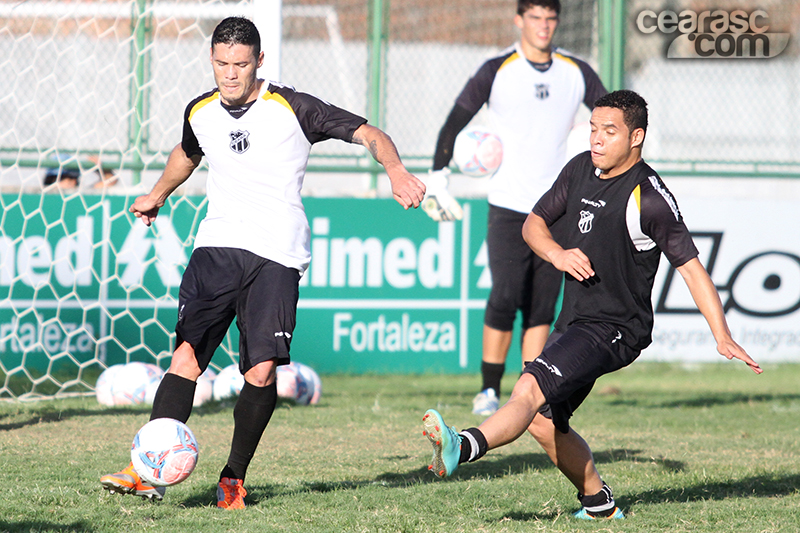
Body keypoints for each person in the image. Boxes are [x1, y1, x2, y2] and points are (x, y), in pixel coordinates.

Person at [100, 16, 425, 509]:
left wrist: (396, 170)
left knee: (261, 371)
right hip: (217, 247)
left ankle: (233, 478)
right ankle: (147, 470)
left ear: (259, 62)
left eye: (240, 64)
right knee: (186, 357)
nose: (230, 74)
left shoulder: (294, 107)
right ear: (212, 60)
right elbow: (187, 154)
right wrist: (157, 195)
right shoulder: (201, 110)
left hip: (277, 255)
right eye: (221, 63)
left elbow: (367, 132)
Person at [421, 90, 762, 520]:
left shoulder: (649, 198)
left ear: (636, 137)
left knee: (528, 387)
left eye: (610, 131)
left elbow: (692, 269)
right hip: (576, 318)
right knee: (543, 420)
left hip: (616, 327)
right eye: (593, 128)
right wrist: (558, 255)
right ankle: (599, 503)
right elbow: (534, 224)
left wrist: (722, 335)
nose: (597, 139)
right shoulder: (581, 167)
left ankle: (463, 445)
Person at [423, 0, 607, 416]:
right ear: (519, 21)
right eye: (535, 18)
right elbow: (454, 122)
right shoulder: (497, 70)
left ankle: (530, 390)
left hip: (556, 210)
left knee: (542, 306)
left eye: (550, 18)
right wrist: (439, 178)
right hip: (508, 206)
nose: (543, 26)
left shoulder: (576, 73)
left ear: (558, 22)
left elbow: (615, 115)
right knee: (505, 296)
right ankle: (488, 390)